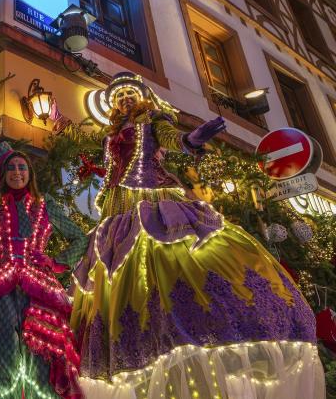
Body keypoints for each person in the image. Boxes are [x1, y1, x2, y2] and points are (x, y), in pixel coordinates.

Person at [71, 72, 324, 398]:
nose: (124, 100)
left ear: (142, 97)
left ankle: (193, 326)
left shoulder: (152, 120)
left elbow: (170, 138)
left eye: (129, 93)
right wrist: (100, 183)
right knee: (117, 279)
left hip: (153, 197)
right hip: (117, 207)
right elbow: (114, 170)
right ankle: (142, 344)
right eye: (118, 97)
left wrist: (190, 141)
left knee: (174, 259)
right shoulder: (113, 134)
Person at [0, 143, 88, 399]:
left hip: (40, 287)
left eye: (22, 167)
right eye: (11, 167)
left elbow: (79, 237)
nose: (17, 172)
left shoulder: (46, 204)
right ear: (3, 174)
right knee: (1, 350)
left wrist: (57, 263)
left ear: (30, 173)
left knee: (41, 350)